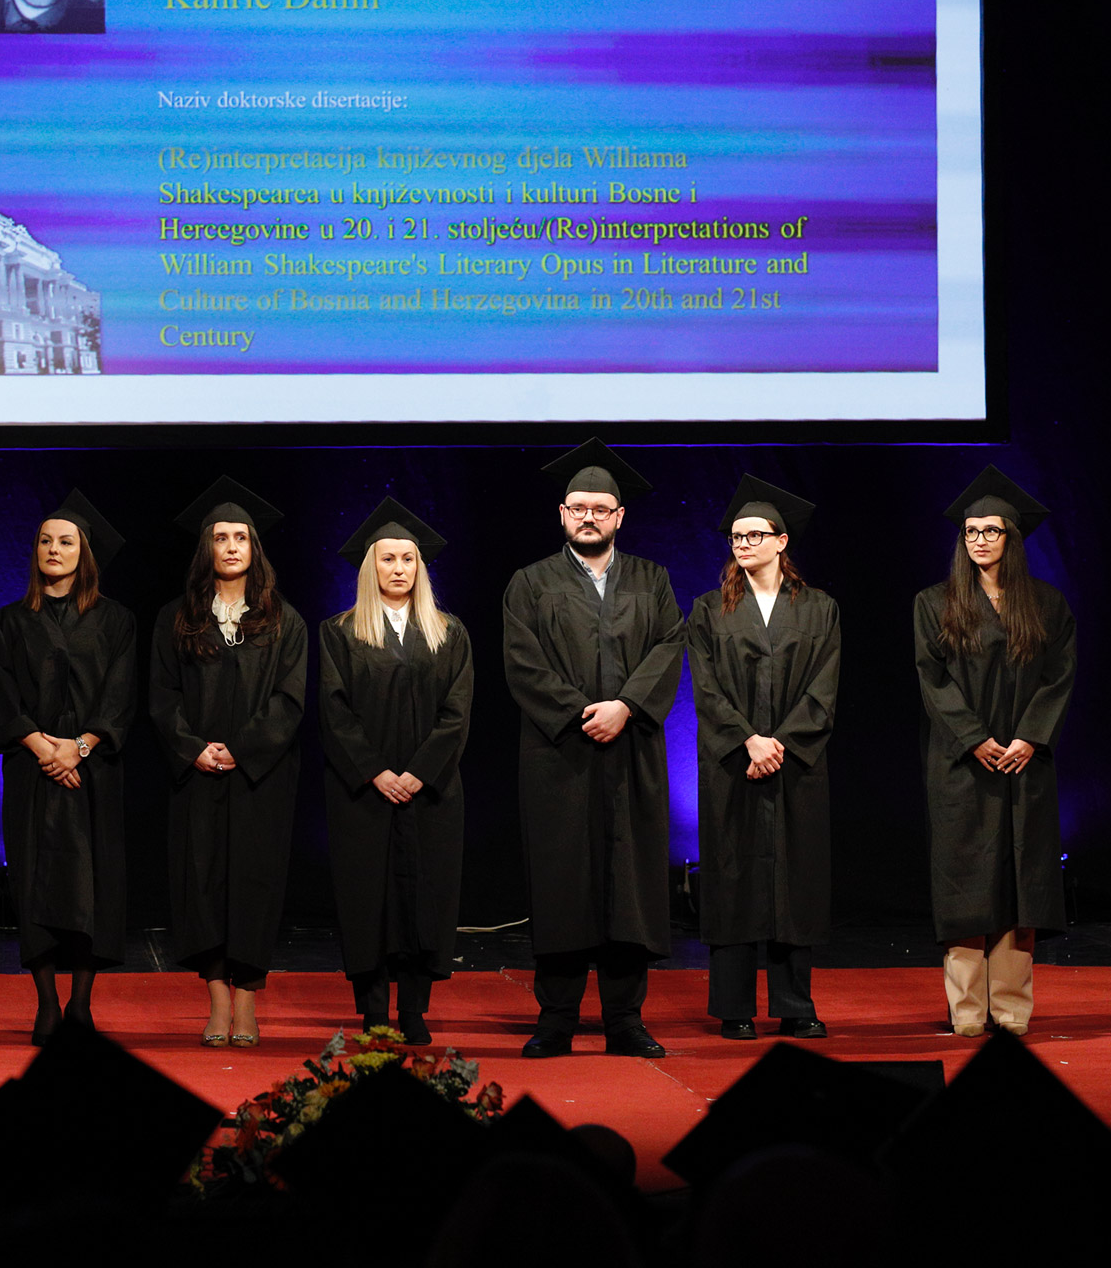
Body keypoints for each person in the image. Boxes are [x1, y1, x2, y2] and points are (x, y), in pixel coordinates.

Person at [503, 439, 684, 1059]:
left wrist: (625, 707)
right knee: (562, 882)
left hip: (631, 753)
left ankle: (624, 1021)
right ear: (562, 513)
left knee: (629, 885)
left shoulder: (652, 580)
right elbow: (522, 662)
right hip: (560, 755)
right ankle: (556, 1019)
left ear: (619, 517)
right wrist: (581, 712)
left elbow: (668, 648)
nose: (588, 517)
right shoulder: (530, 583)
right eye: (578, 507)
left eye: (600, 509)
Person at [915, 465, 1076, 1037]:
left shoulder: (1047, 604)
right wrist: (974, 738)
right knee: (966, 880)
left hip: (1025, 763)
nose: (979, 540)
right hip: (963, 764)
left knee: (1020, 882)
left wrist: (1029, 737)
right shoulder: (935, 603)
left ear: (1013, 537)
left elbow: (1059, 676)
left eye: (991, 530)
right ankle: (966, 1008)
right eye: (971, 531)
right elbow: (933, 679)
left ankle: (1009, 1008)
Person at [149, 476, 307, 1048]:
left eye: (241, 537)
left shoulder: (284, 620)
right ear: (207, 547)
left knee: (254, 885)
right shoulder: (176, 618)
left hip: (260, 778)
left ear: (254, 547)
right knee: (202, 885)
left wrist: (241, 749)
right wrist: (194, 748)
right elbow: (162, 697)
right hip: (197, 774)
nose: (232, 546)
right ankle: (217, 1001)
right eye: (221, 537)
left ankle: (247, 1002)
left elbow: (289, 701)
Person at [685, 475, 839, 1041]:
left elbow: (823, 688)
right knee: (733, 880)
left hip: (797, 765)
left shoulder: (819, 609)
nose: (744, 544)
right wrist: (748, 740)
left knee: (795, 883)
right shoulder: (709, 610)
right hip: (733, 764)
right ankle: (734, 1007)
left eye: (755, 535)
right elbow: (705, 688)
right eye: (736, 537)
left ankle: (796, 1005)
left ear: (781, 541)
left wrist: (782, 743)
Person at [0, 490, 137, 1045]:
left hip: (94, 771)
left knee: (94, 882)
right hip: (33, 770)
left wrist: (81, 747)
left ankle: (81, 1005)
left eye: (65, 541)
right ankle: (47, 1003)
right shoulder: (6, 623)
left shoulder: (116, 621)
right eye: (45, 541)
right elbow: (2, 697)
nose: (53, 549)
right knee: (35, 881)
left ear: (84, 551)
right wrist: (46, 749)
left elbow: (120, 694)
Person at [319, 497, 474, 1045]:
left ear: (420, 567)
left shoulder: (448, 632)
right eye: (388, 558)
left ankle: (414, 1010)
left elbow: (458, 711)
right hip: (364, 794)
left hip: (431, 792)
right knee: (368, 900)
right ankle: (373, 1011)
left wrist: (419, 773)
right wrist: (375, 772)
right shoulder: (340, 632)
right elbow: (334, 711)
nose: (399, 568)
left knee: (424, 899)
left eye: (408, 559)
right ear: (371, 567)